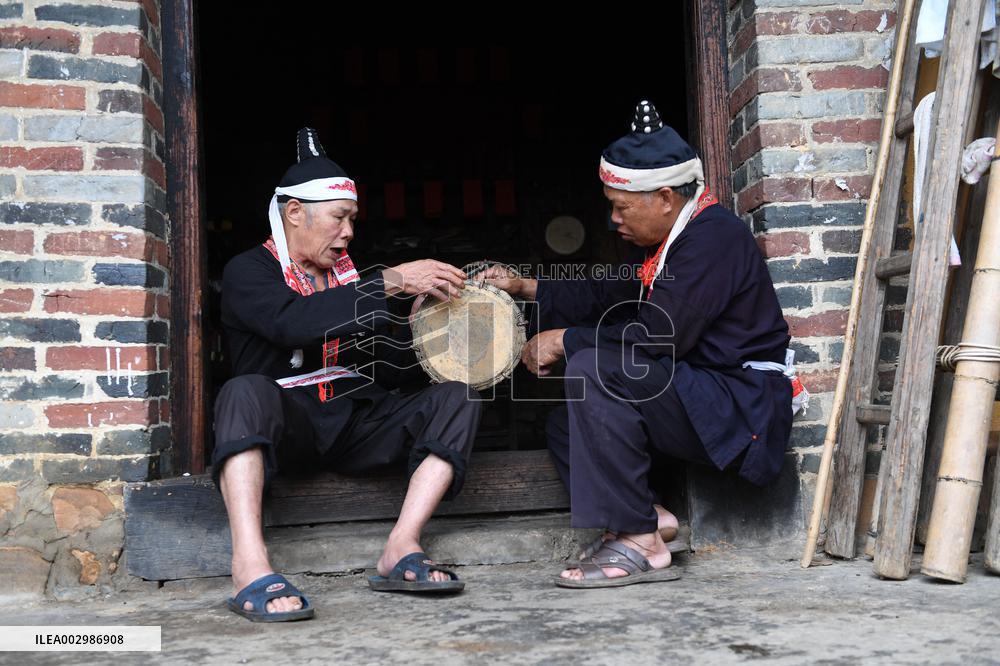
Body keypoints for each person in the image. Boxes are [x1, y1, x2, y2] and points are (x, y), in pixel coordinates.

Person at [487, 101, 792, 588]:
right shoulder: (674, 241)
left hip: (740, 408)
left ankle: (641, 542)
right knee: (565, 425)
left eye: (621, 207)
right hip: (702, 396)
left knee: (593, 367)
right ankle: (650, 516)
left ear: (665, 198)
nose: (613, 220)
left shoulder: (713, 240)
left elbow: (658, 335)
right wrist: (527, 287)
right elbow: (608, 291)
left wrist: (566, 339)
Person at [216, 128, 481, 621]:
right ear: (295, 213)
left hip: (354, 420)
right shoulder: (248, 271)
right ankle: (249, 566)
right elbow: (291, 322)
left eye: (352, 219)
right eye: (339, 217)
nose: (349, 232)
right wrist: (393, 280)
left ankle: (401, 545)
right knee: (242, 392)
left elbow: (392, 372)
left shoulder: (351, 281)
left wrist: (420, 327)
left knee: (456, 396)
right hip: (289, 426)